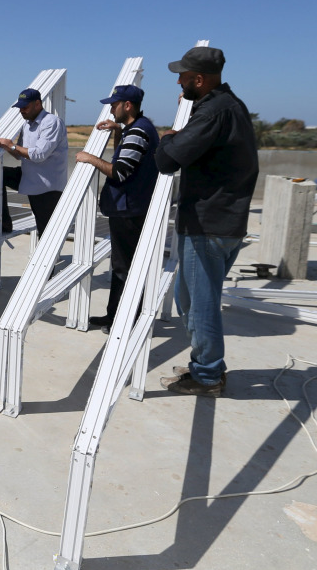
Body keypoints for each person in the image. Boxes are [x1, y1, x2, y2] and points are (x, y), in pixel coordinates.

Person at [154, 46, 259, 396]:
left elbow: (168, 161)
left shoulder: (214, 111)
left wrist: (167, 138)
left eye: (183, 77)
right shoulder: (230, 106)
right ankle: (205, 363)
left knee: (200, 305)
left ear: (198, 79)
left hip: (209, 223)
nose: (179, 83)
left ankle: (208, 376)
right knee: (189, 299)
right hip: (216, 221)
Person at [75, 84, 160, 334]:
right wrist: (119, 129)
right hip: (128, 208)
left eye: (114, 104)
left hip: (129, 210)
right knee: (120, 266)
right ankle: (114, 316)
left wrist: (89, 158)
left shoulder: (137, 133)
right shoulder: (138, 128)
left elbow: (120, 171)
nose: (111, 109)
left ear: (127, 105)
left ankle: (127, 321)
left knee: (126, 268)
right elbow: (128, 152)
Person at [0, 88, 68, 237]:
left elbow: (39, 154)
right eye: (20, 108)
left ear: (37, 104)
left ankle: (48, 260)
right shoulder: (27, 124)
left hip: (47, 187)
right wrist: (4, 142)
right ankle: (4, 223)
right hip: (31, 178)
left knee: (46, 232)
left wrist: (12, 145)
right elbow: (21, 155)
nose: (22, 111)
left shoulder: (51, 122)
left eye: (25, 107)